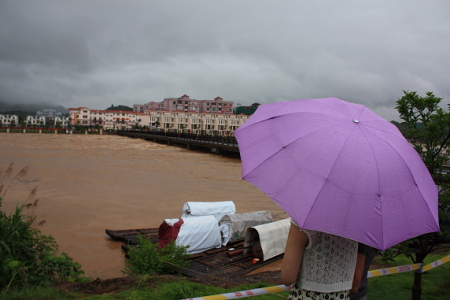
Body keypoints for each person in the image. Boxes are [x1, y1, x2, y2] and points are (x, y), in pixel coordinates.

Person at [281, 219, 358, 300]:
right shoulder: (356, 225)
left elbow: (288, 277)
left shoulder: (303, 223)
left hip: (306, 295)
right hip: (342, 296)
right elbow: (355, 284)